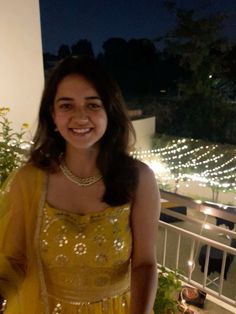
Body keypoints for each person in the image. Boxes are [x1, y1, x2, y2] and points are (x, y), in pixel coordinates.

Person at [0, 56, 160, 313]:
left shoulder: (138, 179)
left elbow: (144, 264)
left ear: (109, 111)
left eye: (92, 105)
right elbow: (16, 260)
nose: (80, 117)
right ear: (52, 114)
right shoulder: (29, 180)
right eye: (66, 105)